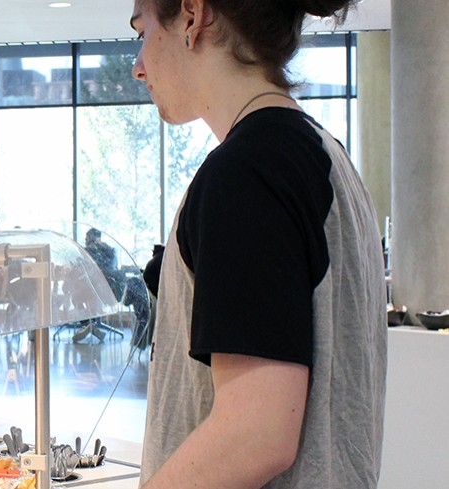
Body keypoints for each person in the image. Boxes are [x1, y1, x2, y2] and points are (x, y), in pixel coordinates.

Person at [130, 0, 385, 487]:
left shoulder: (248, 172)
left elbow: (255, 435)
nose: (139, 66)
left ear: (191, 16)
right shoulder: (324, 155)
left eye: (142, 33)